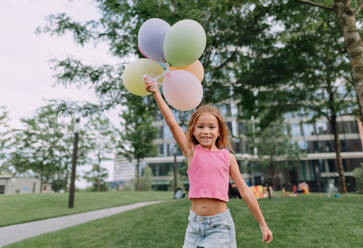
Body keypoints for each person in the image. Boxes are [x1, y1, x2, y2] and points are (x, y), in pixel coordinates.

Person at [144, 77, 273, 247]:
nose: (206, 131)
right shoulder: (191, 152)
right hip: (194, 227)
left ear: (219, 131)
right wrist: (156, 93)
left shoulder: (227, 158)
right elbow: (172, 123)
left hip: (220, 226)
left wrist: (263, 224)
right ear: (194, 130)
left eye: (211, 127)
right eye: (201, 127)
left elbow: (246, 193)